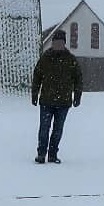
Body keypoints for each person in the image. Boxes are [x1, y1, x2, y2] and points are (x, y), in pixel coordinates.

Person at [30, 29, 83, 164]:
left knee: (57, 130)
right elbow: (37, 76)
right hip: (46, 101)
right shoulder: (45, 58)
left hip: (64, 103)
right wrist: (34, 94)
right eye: (55, 42)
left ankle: (53, 155)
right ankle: (41, 154)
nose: (57, 45)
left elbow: (78, 79)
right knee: (44, 129)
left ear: (64, 43)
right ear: (52, 43)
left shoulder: (71, 60)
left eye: (60, 42)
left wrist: (77, 96)